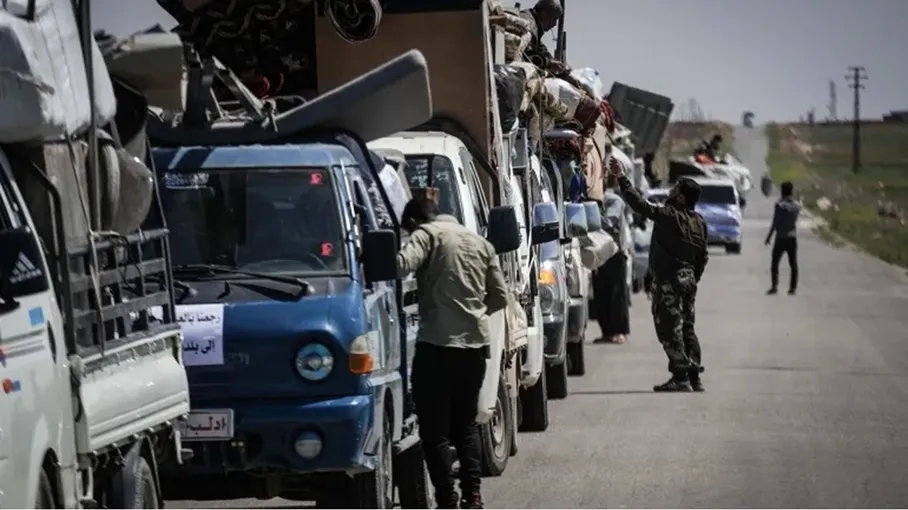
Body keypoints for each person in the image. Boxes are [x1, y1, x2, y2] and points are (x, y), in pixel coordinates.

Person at [397, 197, 510, 509]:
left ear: (412, 223)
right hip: (474, 349)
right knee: (467, 425)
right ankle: (473, 497)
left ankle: (447, 498)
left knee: (434, 432)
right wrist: (472, 314)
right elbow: (500, 297)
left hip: (436, 346)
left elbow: (400, 264)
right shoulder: (481, 243)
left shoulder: (426, 235)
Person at [609, 157, 709, 392]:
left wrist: (622, 177)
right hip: (688, 281)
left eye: (674, 191)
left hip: (670, 283)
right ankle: (694, 376)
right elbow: (702, 257)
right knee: (687, 327)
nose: (671, 193)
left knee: (668, 328)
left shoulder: (669, 216)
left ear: (682, 197)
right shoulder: (699, 222)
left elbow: (639, 205)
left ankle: (681, 376)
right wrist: (693, 277)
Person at [592, 175, 631, 344]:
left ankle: (620, 331)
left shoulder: (614, 201)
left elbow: (609, 221)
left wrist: (589, 217)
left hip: (615, 253)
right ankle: (606, 332)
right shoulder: (591, 202)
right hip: (598, 254)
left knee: (617, 294)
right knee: (600, 293)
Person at [765, 181, 801, 295]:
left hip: (781, 237)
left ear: (782, 191)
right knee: (793, 263)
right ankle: (793, 288)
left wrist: (769, 237)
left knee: (775, 263)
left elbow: (775, 222)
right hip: (792, 237)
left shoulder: (780, 205)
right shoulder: (797, 206)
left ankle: (774, 286)